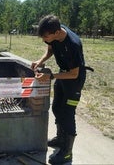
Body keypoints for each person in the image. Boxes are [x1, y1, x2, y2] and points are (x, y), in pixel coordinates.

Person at [31, 15, 88, 164]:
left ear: (56, 33)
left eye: (45, 36)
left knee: (68, 114)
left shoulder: (73, 44)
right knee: (56, 107)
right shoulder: (54, 33)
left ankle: (67, 152)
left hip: (74, 80)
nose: (44, 39)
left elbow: (74, 73)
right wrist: (40, 60)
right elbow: (50, 49)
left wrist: (50, 76)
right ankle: (60, 138)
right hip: (63, 75)